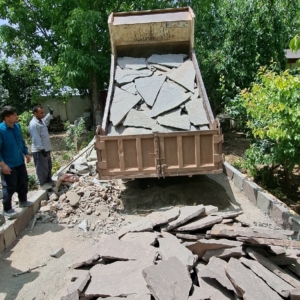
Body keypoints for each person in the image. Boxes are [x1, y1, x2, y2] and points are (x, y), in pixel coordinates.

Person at [0, 106, 32, 219]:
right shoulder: (1, 130)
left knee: (23, 181)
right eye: (14, 115)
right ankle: (7, 209)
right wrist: (3, 165)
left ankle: (23, 200)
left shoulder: (17, 126)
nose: (17, 116)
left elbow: (21, 142)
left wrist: (26, 153)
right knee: (9, 186)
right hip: (8, 165)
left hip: (19, 161)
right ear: (7, 117)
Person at [29, 105, 54, 190]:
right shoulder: (33, 124)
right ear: (35, 113)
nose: (43, 114)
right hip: (40, 151)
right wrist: (41, 149)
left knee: (48, 166)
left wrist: (50, 114)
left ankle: (48, 181)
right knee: (42, 168)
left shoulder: (41, 121)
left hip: (46, 148)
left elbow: (46, 121)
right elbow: (36, 138)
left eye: (43, 112)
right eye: (41, 113)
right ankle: (43, 184)